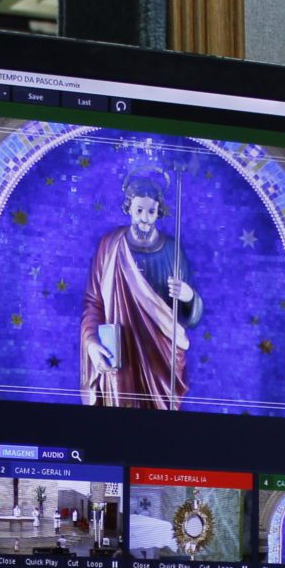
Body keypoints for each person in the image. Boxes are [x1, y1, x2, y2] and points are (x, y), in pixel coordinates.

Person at [80, 169, 202, 409]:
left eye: (151, 211)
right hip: (121, 352)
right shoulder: (110, 246)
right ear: (128, 209)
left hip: (161, 356)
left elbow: (187, 316)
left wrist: (189, 298)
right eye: (139, 211)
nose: (145, 218)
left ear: (159, 212)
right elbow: (93, 302)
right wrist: (91, 343)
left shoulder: (172, 250)